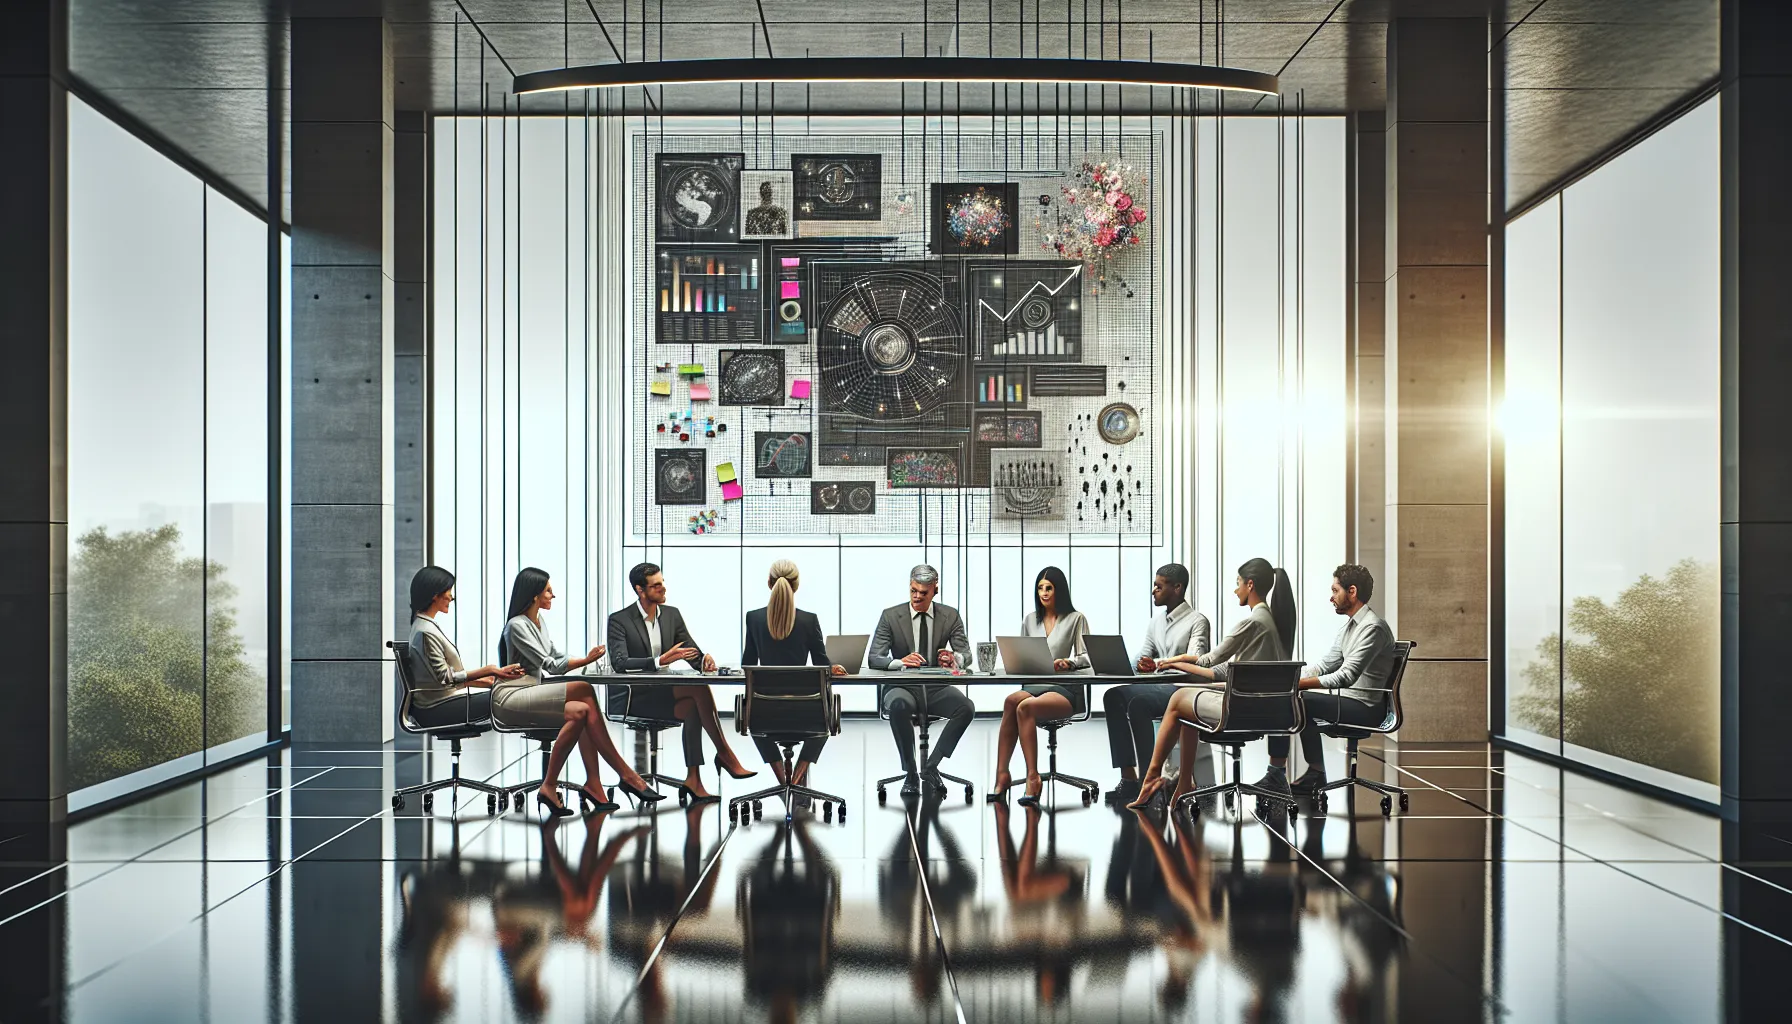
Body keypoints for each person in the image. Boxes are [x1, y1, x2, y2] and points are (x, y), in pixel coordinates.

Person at [1129, 558, 1296, 808]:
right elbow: (1225, 670)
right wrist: (1174, 663)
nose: (1235, 589)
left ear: (1250, 585)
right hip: (1260, 705)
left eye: (1238, 583)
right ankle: (1183, 782)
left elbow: (1207, 661)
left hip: (1242, 710)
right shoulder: (1268, 622)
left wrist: (1172, 662)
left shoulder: (1252, 623)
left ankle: (1154, 777)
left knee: (1178, 700)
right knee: (1186, 699)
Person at [499, 567, 659, 815]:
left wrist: (585, 659)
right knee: (583, 689)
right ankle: (626, 775)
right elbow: (550, 665)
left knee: (582, 711)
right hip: (513, 696)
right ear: (534, 596)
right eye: (548, 591)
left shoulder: (538, 622)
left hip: (533, 689)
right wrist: (585, 661)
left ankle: (581, 784)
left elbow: (556, 654)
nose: (553, 596)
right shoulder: (517, 625)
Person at [607, 562, 757, 802]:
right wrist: (659, 661)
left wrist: (703, 661)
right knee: (697, 692)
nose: (663, 589)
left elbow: (689, 649)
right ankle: (725, 755)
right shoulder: (619, 620)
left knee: (694, 706)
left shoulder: (671, 615)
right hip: (635, 697)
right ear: (640, 590)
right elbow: (619, 662)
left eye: (662, 582)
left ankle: (694, 780)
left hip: (663, 695)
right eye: (656, 586)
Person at [1266, 564, 1397, 795]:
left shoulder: (1372, 628)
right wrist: (1291, 677)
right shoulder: (1350, 628)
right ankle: (1309, 773)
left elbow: (1347, 676)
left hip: (1366, 708)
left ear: (1352, 591)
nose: (1331, 597)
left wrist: (1298, 685)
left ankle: (1287, 774)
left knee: (1299, 699)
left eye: (1335, 590)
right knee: (1293, 696)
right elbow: (1326, 666)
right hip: (1350, 702)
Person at [1101, 563, 1211, 804]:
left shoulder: (1197, 621)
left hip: (1183, 690)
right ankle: (1129, 778)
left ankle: (1147, 781)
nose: (1153, 591)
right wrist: (1124, 662)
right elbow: (1144, 656)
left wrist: (1158, 663)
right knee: (1113, 696)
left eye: (1159, 586)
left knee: (1139, 704)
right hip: (1159, 686)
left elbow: (1198, 660)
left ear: (1178, 588)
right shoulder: (1156, 622)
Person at [869, 564, 976, 796]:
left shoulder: (950, 615)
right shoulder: (891, 616)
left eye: (923, 593)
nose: (917, 596)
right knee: (898, 705)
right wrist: (900, 661)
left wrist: (954, 658)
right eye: (913, 591)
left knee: (966, 708)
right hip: (902, 686)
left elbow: (966, 655)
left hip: (935, 689)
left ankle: (931, 765)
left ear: (935, 590)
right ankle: (910, 772)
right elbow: (874, 657)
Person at [741, 559, 847, 791]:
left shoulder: (754, 618)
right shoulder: (809, 620)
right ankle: (798, 777)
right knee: (826, 712)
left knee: (752, 708)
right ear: (796, 586)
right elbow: (821, 663)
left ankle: (782, 779)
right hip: (807, 713)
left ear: (769, 583)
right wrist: (833, 666)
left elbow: (747, 664)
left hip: (764, 714)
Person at [992, 566, 1093, 806]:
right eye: (1040, 588)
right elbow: (1023, 654)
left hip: (1065, 689)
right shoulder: (1030, 620)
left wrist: (1069, 662)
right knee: (1010, 701)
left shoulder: (1075, 618)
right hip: (1036, 684)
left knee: (1025, 708)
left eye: (1049, 588)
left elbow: (1088, 656)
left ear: (1060, 590)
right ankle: (1002, 775)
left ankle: (1033, 777)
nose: (1044, 593)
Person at [404, 564, 526, 726]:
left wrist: (482, 680)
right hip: (437, 708)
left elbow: (438, 679)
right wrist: (488, 670)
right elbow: (445, 679)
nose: (451, 597)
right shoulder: (425, 631)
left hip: (440, 702)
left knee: (508, 693)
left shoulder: (423, 626)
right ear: (435, 595)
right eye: (449, 591)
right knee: (510, 697)